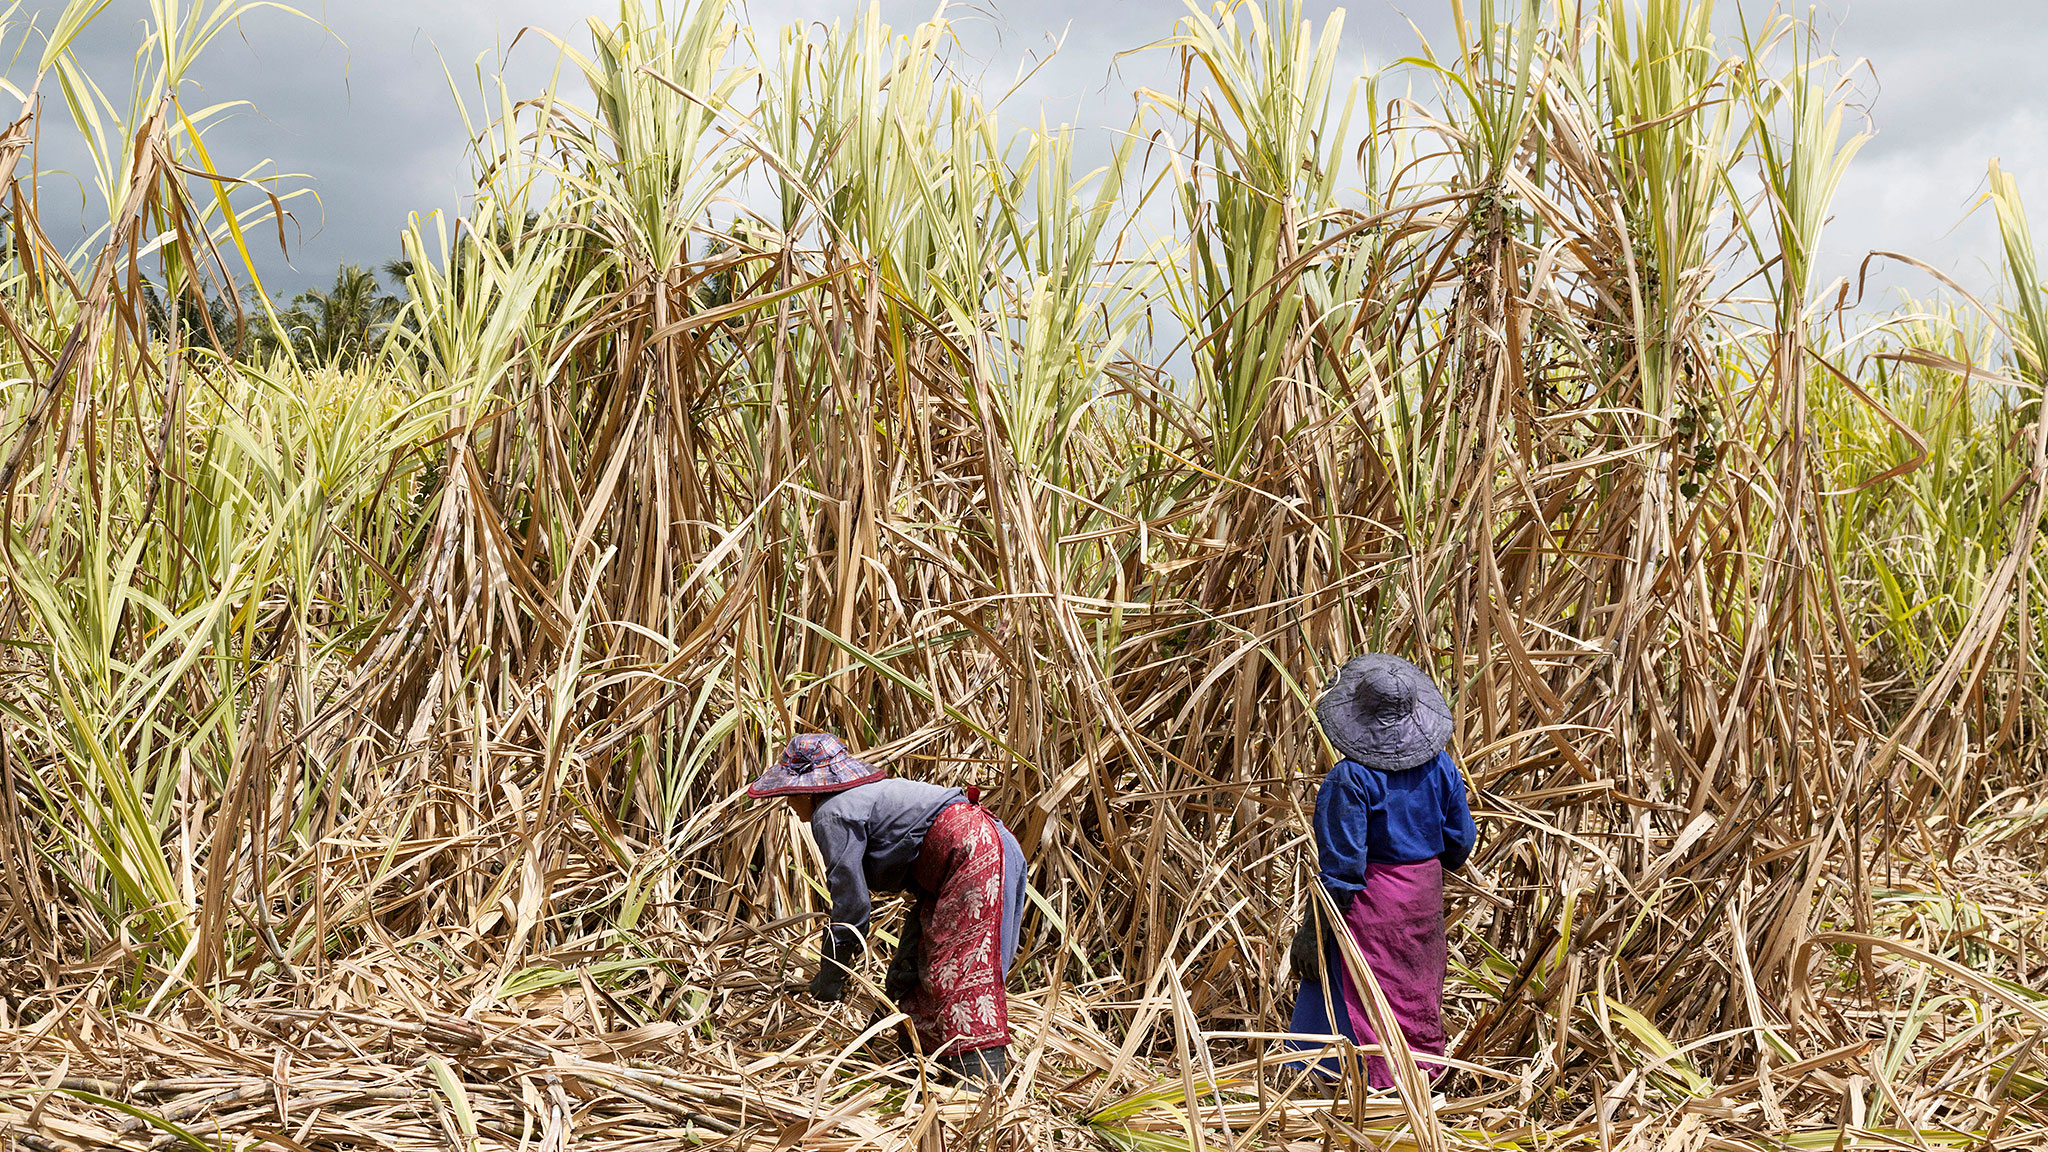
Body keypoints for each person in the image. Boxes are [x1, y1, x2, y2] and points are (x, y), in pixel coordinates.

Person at [749, 733, 1026, 1084]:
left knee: (958, 970)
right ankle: (923, 1073)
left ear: (809, 790)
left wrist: (831, 977)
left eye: (791, 793)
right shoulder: (853, 802)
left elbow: (851, 905)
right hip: (969, 854)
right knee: (915, 962)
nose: (789, 803)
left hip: (971, 852)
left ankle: (977, 1089)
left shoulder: (831, 814)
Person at [1288, 653, 1477, 1089]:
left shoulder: (1349, 778)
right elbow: (1459, 847)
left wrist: (1313, 930)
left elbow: (1344, 869)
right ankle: (1413, 1084)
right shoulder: (1442, 767)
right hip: (1422, 900)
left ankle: (1345, 1087)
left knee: (1347, 986)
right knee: (1411, 992)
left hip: (1370, 903)